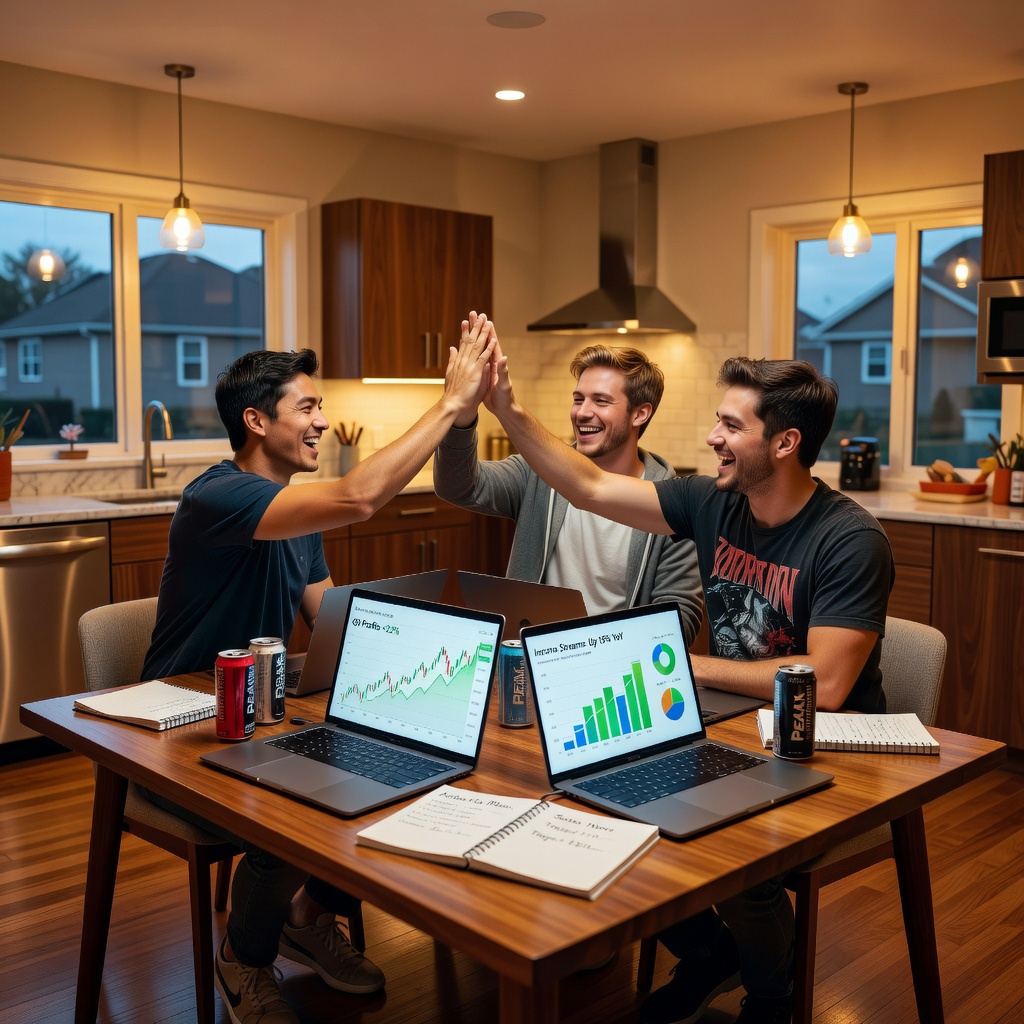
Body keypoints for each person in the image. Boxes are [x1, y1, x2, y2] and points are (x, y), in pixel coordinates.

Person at [477, 317, 893, 1024]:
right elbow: (588, 488)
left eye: (730, 426)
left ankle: (772, 995)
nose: (711, 438)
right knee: (594, 793)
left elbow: (825, 683)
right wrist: (504, 407)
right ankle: (707, 955)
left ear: (785, 443)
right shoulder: (713, 501)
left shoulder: (849, 538)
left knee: (738, 860)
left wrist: (691, 666)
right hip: (727, 726)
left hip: (822, 745)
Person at [141, 323, 496, 1024]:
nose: (323, 422)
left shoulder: (294, 512)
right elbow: (359, 498)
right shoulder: (219, 498)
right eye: (307, 408)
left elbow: (326, 621)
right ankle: (243, 958)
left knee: (396, 759)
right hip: (181, 728)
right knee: (303, 806)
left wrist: (418, 651)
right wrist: (451, 405)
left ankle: (305, 916)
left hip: (258, 716)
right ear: (256, 421)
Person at [433, 332, 702, 642]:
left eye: (601, 401)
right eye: (578, 399)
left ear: (640, 413)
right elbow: (458, 486)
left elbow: (681, 617)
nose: (583, 412)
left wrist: (598, 648)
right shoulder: (539, 472)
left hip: (616, 668)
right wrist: (463, 413)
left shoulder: (671, 505)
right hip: (531, 657)